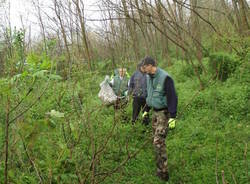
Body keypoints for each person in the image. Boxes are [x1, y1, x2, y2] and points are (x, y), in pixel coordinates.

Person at [141, 56, 178, 182]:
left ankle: (164, 174)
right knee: (156, 142)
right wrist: (146, 111)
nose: (143, 69)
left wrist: (172, 116)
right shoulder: (147, 77)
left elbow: (172, 96)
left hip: (164, 113)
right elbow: (149, 95)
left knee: (158, 142)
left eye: (145, 66)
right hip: (154, 114)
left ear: (151, 65)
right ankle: (159, 169)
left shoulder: (165, 78)